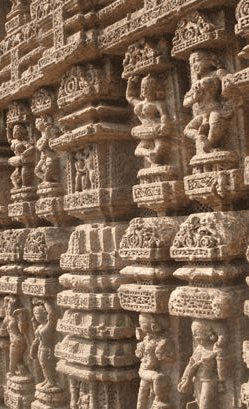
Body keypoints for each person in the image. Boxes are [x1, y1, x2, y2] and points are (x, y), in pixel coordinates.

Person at [183, 50, 232, 155]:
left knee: (215, 120)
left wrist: (226, 82)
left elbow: (227, 80)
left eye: (197, 60)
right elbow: (185, 103)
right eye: (192, 63)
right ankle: (200, 138)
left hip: (215, 108)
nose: (194, 65)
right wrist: (194, 98)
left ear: (210, 61)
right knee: (187, 129)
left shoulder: (216, 73)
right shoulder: (195, 84)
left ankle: (210, 144)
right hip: (202, 114)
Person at [178, 320, 227, 409]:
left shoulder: (215, 348)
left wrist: (219, 354)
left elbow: (222, 373)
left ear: (209, 335)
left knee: (205, 406)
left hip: (209, 381)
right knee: (199, 403)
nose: (197, 338)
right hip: (197, 380)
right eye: (195, 335)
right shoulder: (199, 348)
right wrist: (184, 379)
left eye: (199, 336)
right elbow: (191, 363)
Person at [126, 74, 173, 165]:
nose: (144, 89)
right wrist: (130, 84)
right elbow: (130, 97)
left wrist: (164, 124)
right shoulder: (139, 103)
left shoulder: (158, 103)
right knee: (137, 150)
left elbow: (164, 114)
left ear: (155, 89)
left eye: (148, 87)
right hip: (144, 130)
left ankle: (153, 157)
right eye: (143, 87)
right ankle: (149, 153)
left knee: (158, 149)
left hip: (155, 129)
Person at [136, 314, 175, 409]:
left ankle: (158, 399)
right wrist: (140, 348)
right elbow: (138, 354)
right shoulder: (146, 340)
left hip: (154, 368)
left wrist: (162, 354)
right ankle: (161, 398)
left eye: (142, 322)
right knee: (156, 378)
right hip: (145, 369)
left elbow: (170, 358)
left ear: (153, 325)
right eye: (140, 322)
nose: (140, 325)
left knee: (143, 395)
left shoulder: (160, 341)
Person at [30, 300, 58, 389]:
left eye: (38, 314)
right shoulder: (40, 327)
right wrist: (32, 350)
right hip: (40, 348)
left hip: (47, 349)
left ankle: (52, 381)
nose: (36, 317)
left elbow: (52, 315)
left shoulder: (48, 326)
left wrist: (45, 302)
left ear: (43, 314)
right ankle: (47, 379)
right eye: (35, 314)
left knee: (46, 365)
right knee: (43, 366)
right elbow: (36, 340)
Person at [2, 296, 29, 376]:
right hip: (12, 341)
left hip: (18, 341)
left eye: (11, 308)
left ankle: (12, 372)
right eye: (8, 308)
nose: (10, 310)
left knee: (13, 358)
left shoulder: (17, 317)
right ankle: (22, 370)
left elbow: (23, 330)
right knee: (18, 359)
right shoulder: (7, 317)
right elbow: (3, 331)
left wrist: (21, 320)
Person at [8, 124, 35, 189]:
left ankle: (24, 185)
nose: (14, 133)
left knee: (24, 173)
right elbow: (9, 137)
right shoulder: (13, 141)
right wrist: (8, 128)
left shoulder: (23, 142)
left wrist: (24, 154)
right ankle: (17, 187)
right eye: (14, 131)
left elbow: (31, 148)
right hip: (17, 162)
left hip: (24, 160)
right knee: (13, 177)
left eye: (17, 131)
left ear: (22, 133)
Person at [34, 116, 60, 184]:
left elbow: (55, 142)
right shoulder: (40, 140)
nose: (37, 124)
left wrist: (49, 135)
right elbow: (41, 148)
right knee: (37, 170)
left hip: (50, 155)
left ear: (43, 123)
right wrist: (46, 138)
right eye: (36, 123)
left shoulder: (50, 132)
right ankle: (46, 179)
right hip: (43, 157)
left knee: (49, 165)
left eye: (38, 122)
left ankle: (48, 179)